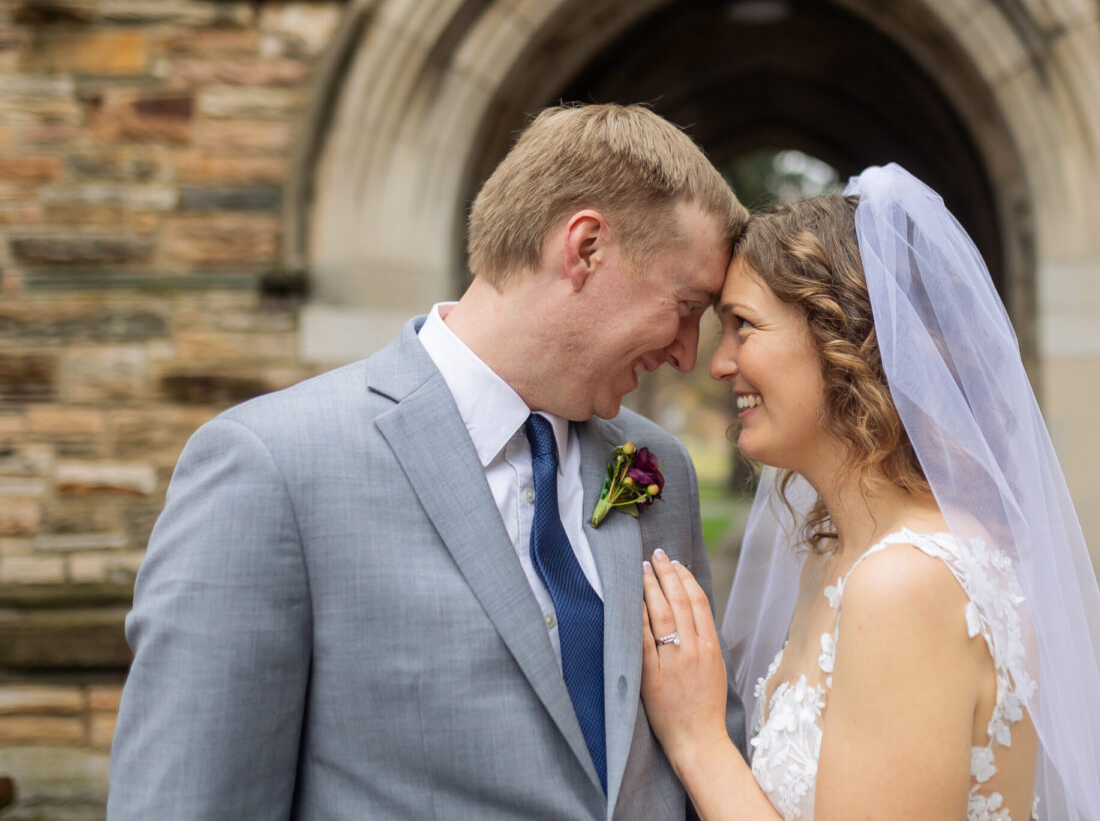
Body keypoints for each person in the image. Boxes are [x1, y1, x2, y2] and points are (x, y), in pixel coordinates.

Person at [110, 104, 748, 821]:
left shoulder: (660, 471)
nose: (690, 354)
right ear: (586, 248)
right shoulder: (274, 467)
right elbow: (188, 801)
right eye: (687, 305)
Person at [637, 165, 1100, 820]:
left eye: (744, 325)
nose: (719, 362)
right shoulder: (845, 562)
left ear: (840, 340)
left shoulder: (905, 585)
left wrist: (698, 741)